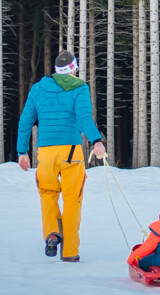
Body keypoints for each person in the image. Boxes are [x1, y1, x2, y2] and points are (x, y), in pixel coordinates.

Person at [17, 50, 106, 262]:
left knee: (47, 195)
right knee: (72, 200)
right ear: (73, 69)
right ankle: (70, 252)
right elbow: (84, 118)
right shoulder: (79, 87)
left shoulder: (38, 89)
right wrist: (96, 141)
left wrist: (22, 152)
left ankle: (52, 233)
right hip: (71, 152)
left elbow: (25, 122)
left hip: (46, 154)